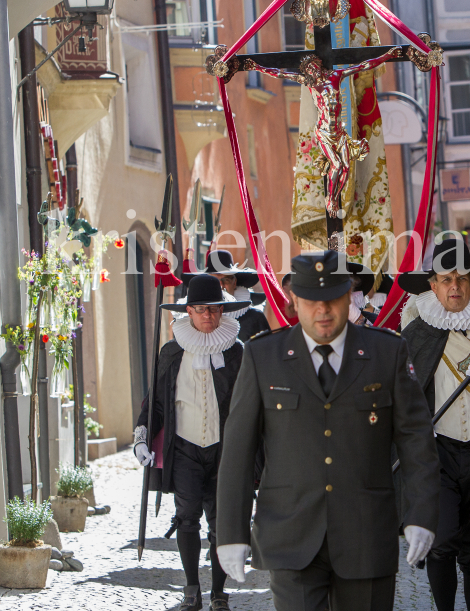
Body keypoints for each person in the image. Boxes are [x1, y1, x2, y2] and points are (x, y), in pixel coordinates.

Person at [216, 250, 440, 611]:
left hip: (366, 533)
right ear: (294, 302)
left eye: (332, 299)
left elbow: (417, 441)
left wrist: (422, 514)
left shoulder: (387, 352)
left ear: (348, 295)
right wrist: (231, 532)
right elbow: (238, 450)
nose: (323, 311)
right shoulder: (263, 357)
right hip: (290, 533)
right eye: (311, 301)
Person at [396, 238, 470, 611]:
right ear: (433, 286)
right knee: (441, 543)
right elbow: (402, 400)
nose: (455, 287)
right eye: (446, 279)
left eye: (462, 278)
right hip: (437, 453)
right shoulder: (415, 336)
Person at [133, 274, 249, 611]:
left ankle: (218, 593)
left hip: (224, 450)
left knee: (221, 522)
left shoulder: (237, 352)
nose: (207, 316)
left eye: (213, 310)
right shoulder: (171, 352)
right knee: (186, 517)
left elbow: (250, 404)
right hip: (183, 448)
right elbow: (154, 402)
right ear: (189, 312)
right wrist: (142, 438)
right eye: (200, 310)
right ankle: (191, 589)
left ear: (222, 312)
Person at [185, 249, 269, 341]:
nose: (221, 286)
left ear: (234, 283)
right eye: (215, 281)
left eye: (226, 280)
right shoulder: (193, 316)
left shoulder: (254, 318)